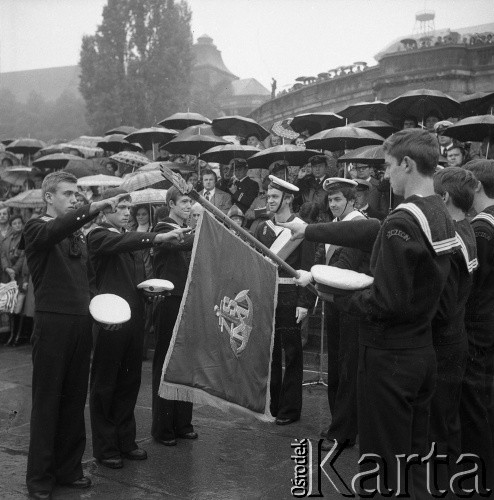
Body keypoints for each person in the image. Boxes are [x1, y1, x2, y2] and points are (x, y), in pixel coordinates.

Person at [294, 129, 458, 496]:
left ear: (407, 164)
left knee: (383, 469)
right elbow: (376, 231)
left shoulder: (404, 220)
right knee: (412, 464)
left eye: (387, 166)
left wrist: (333, 296)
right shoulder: (436, 212)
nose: (384, 176)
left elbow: (386, 302)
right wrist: (310, 230)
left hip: (389, 359)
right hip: (420, 351)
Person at [23, 171, 127, 500]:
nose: (74, 198)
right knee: (47, 401)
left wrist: (103, 315)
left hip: (81, 322)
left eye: (76, 193)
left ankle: (69, 469)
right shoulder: (37, 226)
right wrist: (94, 207)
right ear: (48, 197)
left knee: (72, 400)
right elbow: (56, 229)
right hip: (52, 323)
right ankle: (40, 479)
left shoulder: (77, 236)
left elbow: (88, 284)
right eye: (67, 193)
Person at [87, 188, 188, 470]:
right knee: (106, 384)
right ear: (105, 210)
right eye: (120, 207)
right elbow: (120, 245)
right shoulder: (99, 234)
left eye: (128, 208)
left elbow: (133, 278)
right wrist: (157, 236)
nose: (126, 212)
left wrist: (147, 292)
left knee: (129, 382)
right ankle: (106, 448)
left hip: (133, 319)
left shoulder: (126, 239)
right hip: (109, 321)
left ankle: (125, 440)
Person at [430, 168, 478, 491]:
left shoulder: (452, 239)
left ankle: (440, 486)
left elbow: (443, 305)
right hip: (456, 338)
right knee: (449, 422)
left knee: (437, 426)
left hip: (444, 341)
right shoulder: (466, 230)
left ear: (444, 197)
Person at [254, 176, 315, 425]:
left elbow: (309, 266)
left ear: (287, 200)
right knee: (270, 353)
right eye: (268, 196)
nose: (269, 201)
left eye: (274, 197)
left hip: (291, 296)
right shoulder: (262, 228)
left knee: (291, 353)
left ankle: (290, 409)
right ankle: (272, 404)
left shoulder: (301, 228)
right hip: (268, 294)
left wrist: (304, 302)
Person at [318, 178, 369, 451]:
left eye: (338, 199)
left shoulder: (357, 225)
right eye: (330, 200)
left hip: (351, 305)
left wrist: (316, 277)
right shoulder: (339, 226)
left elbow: (344, 265)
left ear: (352, 200)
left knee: (347, 368)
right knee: (337, 367)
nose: (333, 204)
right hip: (336, 302)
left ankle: (343, 431)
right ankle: (340, 423)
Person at [151, 186, 197, 446]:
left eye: (190, 201)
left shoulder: (189, 229)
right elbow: (178, 241)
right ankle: (163, 427)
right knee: (166, 362)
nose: (189, 206)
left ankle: (183, 422)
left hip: (188, 298)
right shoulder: (161, 229)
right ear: (171, 203)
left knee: (186, 362)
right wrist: (204, 233)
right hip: (168, 299)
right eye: (184, 201)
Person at [460, 159, 494, 493]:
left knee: (476, 406)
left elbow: (474, 282)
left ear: (477, 187)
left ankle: (477, 475)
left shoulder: (482, 227)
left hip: (480, 328)